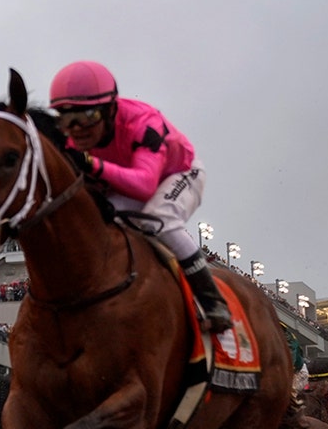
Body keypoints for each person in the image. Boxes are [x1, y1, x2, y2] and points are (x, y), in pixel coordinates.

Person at [49, 60, 232, 334]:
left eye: (87, 117)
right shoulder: (72, 138)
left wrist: (92, 165)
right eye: (66, 118)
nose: (77, 129)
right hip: (126, 179)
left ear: (110, 109)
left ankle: (213, 300)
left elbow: (145, 185)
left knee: (159, 218)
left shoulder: (142, 123)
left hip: (178, 173)